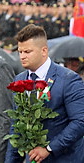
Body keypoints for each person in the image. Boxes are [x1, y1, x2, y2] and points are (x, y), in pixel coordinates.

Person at [5, 24, 84, 163]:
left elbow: (80, 122)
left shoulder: (68, 80)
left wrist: (49, 148)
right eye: (20, 52)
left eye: (27, 52)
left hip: (64, 158)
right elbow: (16, 125)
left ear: (44, 51)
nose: (22, 56)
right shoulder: (19, 79)